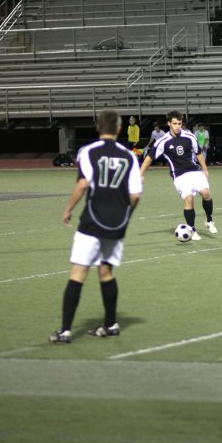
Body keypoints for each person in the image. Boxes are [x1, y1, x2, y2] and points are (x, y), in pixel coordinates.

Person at [49, 109, 143, 343]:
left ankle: (65, 330)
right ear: (119, 129)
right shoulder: (129, 156)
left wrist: (68, 209)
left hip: (92, 219)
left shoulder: (89, 152)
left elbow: (82, 184)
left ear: (98, 127)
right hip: (117, 222)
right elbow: (135, 194)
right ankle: (110, 324)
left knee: (78, 272)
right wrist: (126, 215)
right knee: (106, 271)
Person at [140, 110, 217, 240]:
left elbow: (198, 152)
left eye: (179, 123)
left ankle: (209, 221)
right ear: (169, 123)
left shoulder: (189, 136)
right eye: (174, 123)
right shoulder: (163, 141)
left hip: (194, 171)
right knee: (188, 199)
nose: (177, 126)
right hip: (179, 175)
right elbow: (149, 157)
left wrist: (205, 169)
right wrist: (140, 174)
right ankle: (191, 230)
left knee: (205, 193)